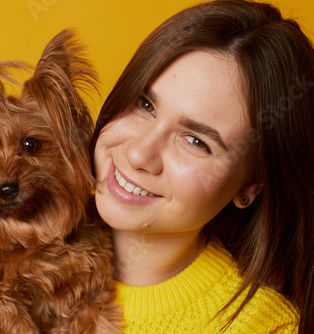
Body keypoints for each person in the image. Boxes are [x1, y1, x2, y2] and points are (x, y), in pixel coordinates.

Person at [91, 0, 314, 333]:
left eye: (196, 141)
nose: (139, 154)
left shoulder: (262, 327)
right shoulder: (10, 237)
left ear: (249, 186)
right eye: (145, 104)